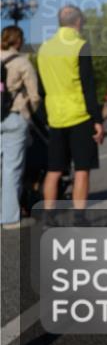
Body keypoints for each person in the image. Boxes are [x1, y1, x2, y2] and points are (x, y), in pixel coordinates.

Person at [37, 6, 104, 212]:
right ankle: (79, 216)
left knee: (54, 170)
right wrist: (97, 119)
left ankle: (48, 215)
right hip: (79, 115)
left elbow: (42, 88)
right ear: (78, 22)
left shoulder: (44, 48)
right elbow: (88, 86)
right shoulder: (80, 46)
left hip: (55, 116)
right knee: (82, 168)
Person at [1, 26, 41, 229]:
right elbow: (34, 95)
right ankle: (8, 217)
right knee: (12, 169)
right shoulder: (22, 62)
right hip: (14, 117)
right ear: (18, 40)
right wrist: (30, 112)